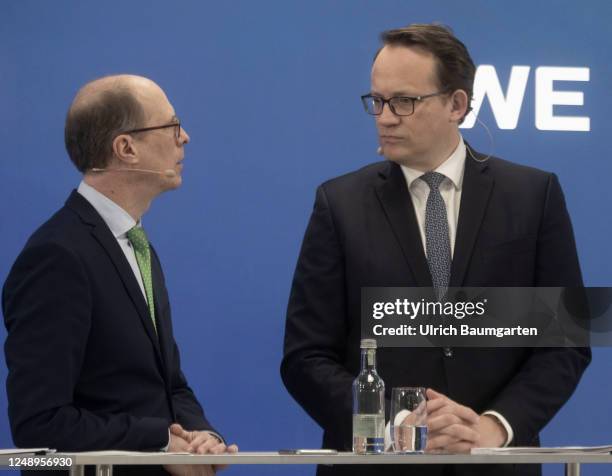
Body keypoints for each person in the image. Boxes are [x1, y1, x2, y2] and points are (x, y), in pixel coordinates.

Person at [280, 24, 591, 476]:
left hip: (493, 466)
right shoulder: (339, 204)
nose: (385, 117)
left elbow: (565, 345)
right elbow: (305, 357)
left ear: (457, 104)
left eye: (405, 101)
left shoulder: (533, 195)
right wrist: (395, 423)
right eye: (377, 101)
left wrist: (491, 428)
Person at [3, 75, 237, 475]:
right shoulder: (56, 256)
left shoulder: (136, 245)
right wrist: (160, 441)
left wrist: (202, 438)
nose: (186, 138)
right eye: (172, 126)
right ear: (126, 148)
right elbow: (38, 428)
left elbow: (170, 386)